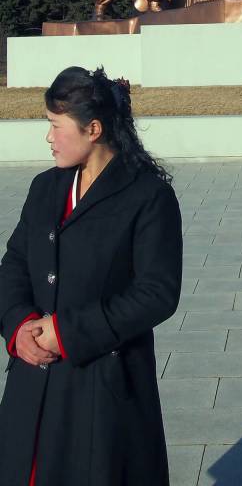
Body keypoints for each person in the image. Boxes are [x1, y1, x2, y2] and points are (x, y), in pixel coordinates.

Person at [0, 66, 183, 485]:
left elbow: (157, 293)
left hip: (101, 386)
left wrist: (67, 332)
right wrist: (19, 325)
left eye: (54, 125)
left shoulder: (148, 196)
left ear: (93, 129)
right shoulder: (45, 187)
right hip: (33, 379)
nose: (48, 137)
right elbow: (13, 264)